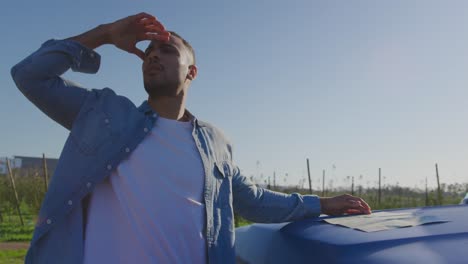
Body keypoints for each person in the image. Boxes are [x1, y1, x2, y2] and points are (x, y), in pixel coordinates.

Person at [11, 13, 371, 264]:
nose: (152, 57)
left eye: (166, 50)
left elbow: (252, 201)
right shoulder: (104, 113)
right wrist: (104, 34)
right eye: (148, 53)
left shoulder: (215, 142)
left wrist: (321, 204)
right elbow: (30, 75)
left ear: (192, 71)